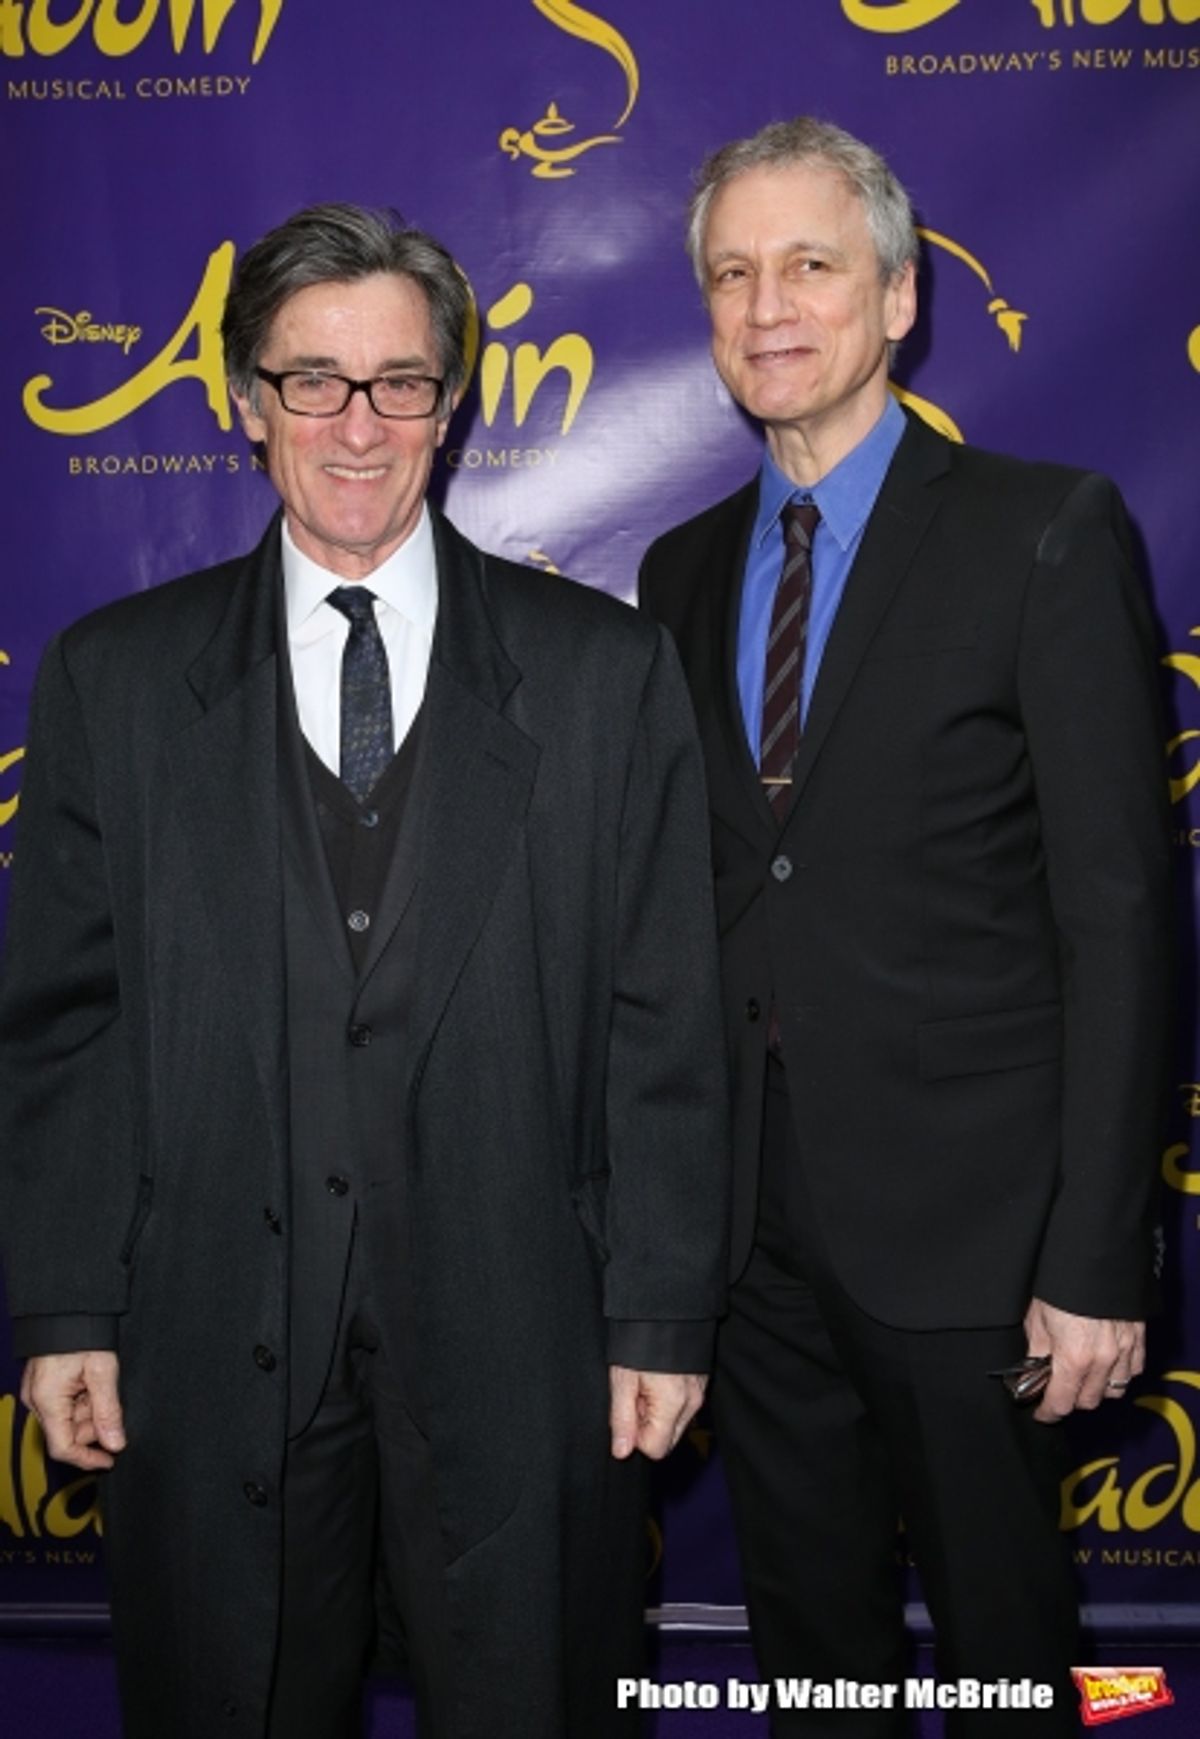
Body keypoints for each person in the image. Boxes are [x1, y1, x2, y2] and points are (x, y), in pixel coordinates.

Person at [0, 202, 729, 1739]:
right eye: (312, 381)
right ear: (244, 400)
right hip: (206, 1344)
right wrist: (67, 1302)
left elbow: (669, 1015)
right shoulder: (115, 680)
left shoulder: (603, 676)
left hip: (526, 1341)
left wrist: (659, 1311)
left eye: (400, 382)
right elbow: (67, 1029)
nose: (356, 424)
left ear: (451, 405)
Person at [639, 118, 1173, 1734]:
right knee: (814, 1638)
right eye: (732, 273)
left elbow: (1121, 916)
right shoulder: (680, 571)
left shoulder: (1044, 530)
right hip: (754, 1231)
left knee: (1015, 1635)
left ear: (900, 297)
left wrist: (1094, 1251)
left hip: (980, 1235)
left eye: (810, 264)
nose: (766, 306)